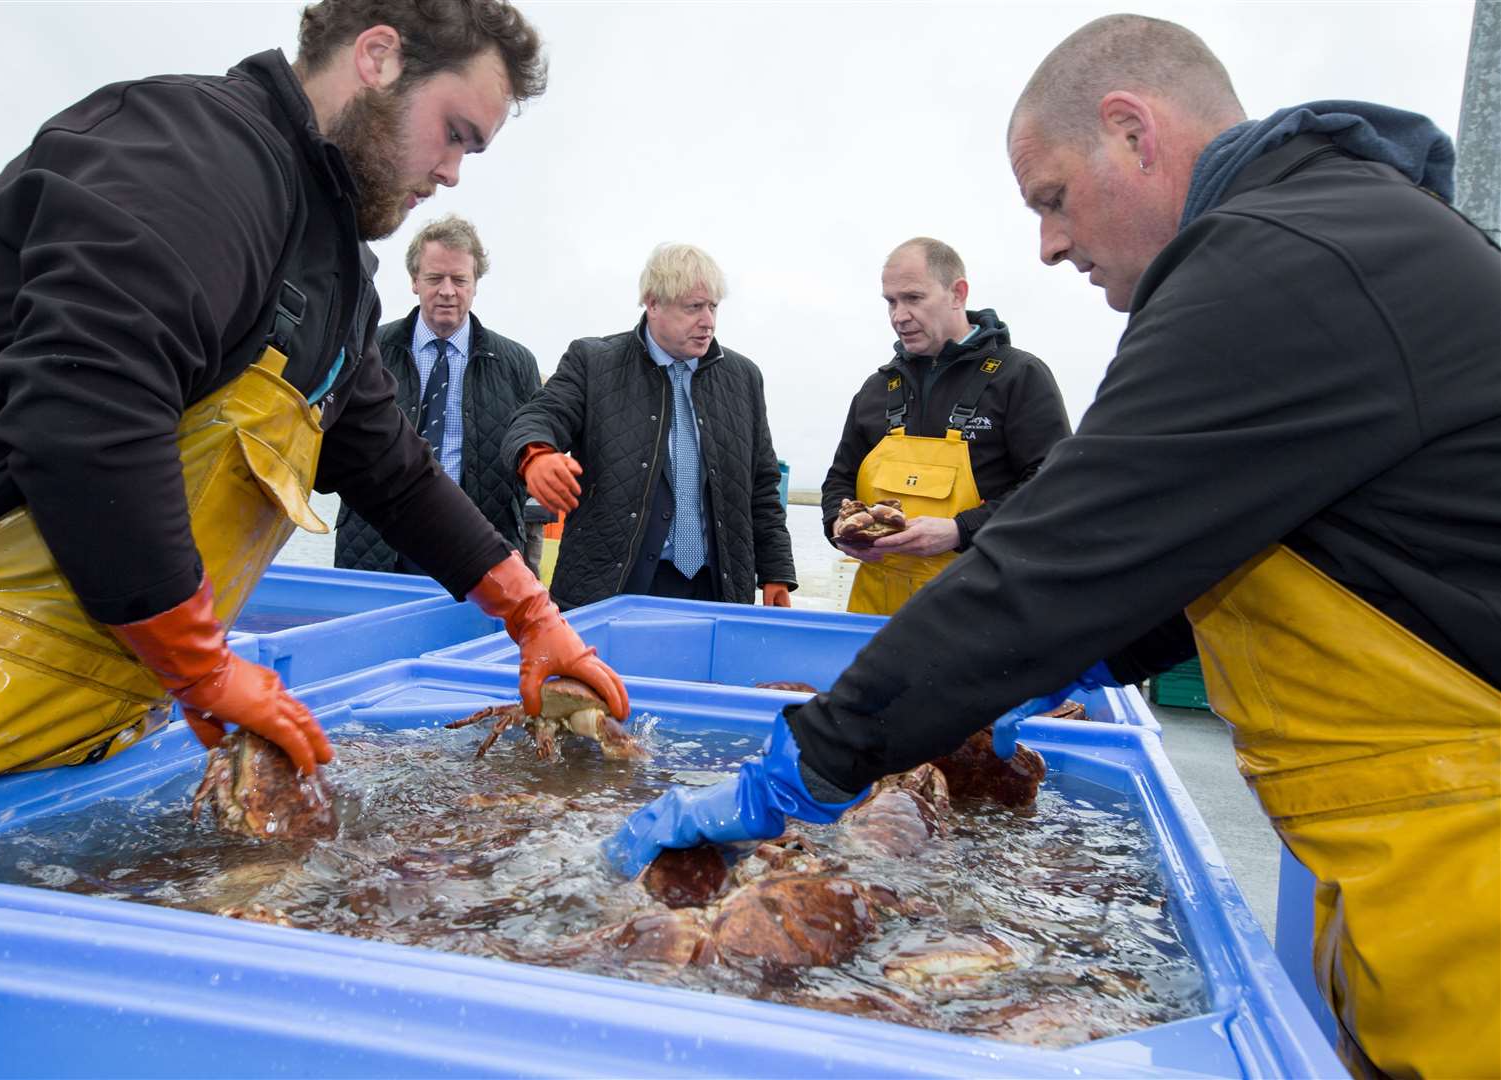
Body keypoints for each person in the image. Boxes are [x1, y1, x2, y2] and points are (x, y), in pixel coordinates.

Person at [607, 14, 1500, 1079]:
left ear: (1132, 130)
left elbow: (1054, 556)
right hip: (1413, 848)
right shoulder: (1336, 238)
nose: (1047, 245)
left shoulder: (1279, 266)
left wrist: (803, 764)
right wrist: (1071, 660)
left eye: (1052, 199)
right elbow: (1217, 557)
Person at [0, 0, 627, 794]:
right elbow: (88, 400)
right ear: (378, 57)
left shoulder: (332, 269)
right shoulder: (197, 156)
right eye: (454, 132)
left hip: (40, 734)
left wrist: (531, 615)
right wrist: (198, 663)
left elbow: (393, 471)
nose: (451, 172)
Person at [502, 243, 796, 609]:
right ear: (653, 304)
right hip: (610, 589)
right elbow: (537, 417)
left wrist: (775, 572)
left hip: (717, 593)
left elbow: (762, 486)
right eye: (693, 307)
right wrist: (536, 455)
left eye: (713, 306)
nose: (708, 321)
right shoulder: (593, 363)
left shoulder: (744, 378)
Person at [823, 237, 1070, 614]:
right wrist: (837, 529)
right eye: (891, 301)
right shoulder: (877, 388)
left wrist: (960, 530)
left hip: (978, 611)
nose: (898, 315)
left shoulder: (1019, 377)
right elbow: (840, 479)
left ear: (957, 293)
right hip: (873, 615)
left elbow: (1053, 489)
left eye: (913, 298)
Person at [335, 214, 541, 571]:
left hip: (478, 547)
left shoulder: (516, 363)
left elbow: (528, 448)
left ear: (475, 284)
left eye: (460, 279)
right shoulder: (370, 348)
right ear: (415, 281)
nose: (447, 290)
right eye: (434, 278)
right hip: (378, 544)